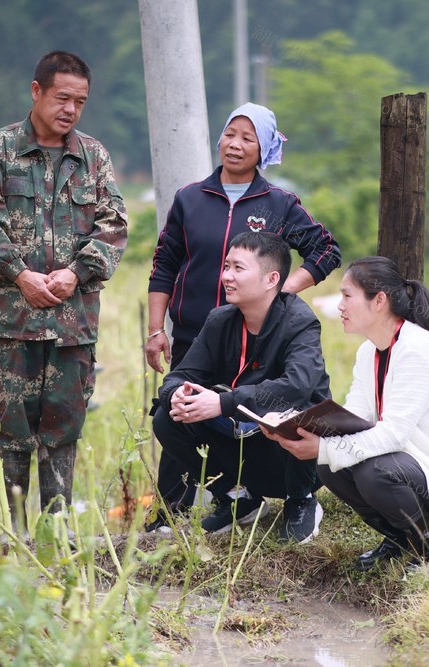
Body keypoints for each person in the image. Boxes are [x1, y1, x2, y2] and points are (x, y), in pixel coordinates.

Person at [145, 102, 341, 527]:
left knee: (262, 413)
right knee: (181, 411)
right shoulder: (191, 199)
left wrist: (279, 293)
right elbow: (164, 264)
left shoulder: (279, 203)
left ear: (264, 148)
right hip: (201, 333)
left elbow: (326, 251)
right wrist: (155, 328)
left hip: (263, 337)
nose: (235, 144)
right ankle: (184, 511)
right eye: (230, 134)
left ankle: (295, 496)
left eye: (247, 138)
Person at [0, 51, 128, 528]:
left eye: (80, 102)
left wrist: (75, 273)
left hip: (72, 326)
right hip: (13, 325)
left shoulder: (93, 156)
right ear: (36, 92)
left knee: (63, 431)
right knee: (13, 434)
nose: (70, 110)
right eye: (62, 98)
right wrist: (21, 276)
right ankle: (16, 537)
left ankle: (55, 538)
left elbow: (114, 225)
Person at [265, 257, 429, 570]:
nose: (341, 306)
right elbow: (355, 419)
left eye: (347, 296)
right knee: (330, 466)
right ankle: (402, 538)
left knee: (373, 472)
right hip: (416, 464)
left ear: (379, 301)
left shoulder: (416, 351)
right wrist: (297, 427)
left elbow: (392, 434)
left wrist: (324, 446)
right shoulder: (370, 351)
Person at [152, 232, 331, 541]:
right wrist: (179, 395)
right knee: (167, 416)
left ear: (271, 278)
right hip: (241, 446)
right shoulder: (220, 320)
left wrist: (223, 403)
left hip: (291, 455)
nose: (226, 276)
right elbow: (178, 377)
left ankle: (300, 500)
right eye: (226, 266)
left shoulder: (300, 322)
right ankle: (236, 499)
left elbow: (296, 387)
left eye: (238, 268)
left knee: (299, 411)